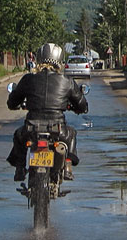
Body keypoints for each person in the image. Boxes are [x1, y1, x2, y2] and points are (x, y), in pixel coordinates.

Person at [7, 43, 88, 181]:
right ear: (60, 60)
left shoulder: (28, 79)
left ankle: (20, 169)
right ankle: (67, 165)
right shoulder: (67, 81)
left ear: (39, 58)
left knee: (18, 136)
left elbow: (13, 101)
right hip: (58, 129)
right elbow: (81, 104)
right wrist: (78, 108)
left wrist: (16, 103)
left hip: (31, 128)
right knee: (72, 133)